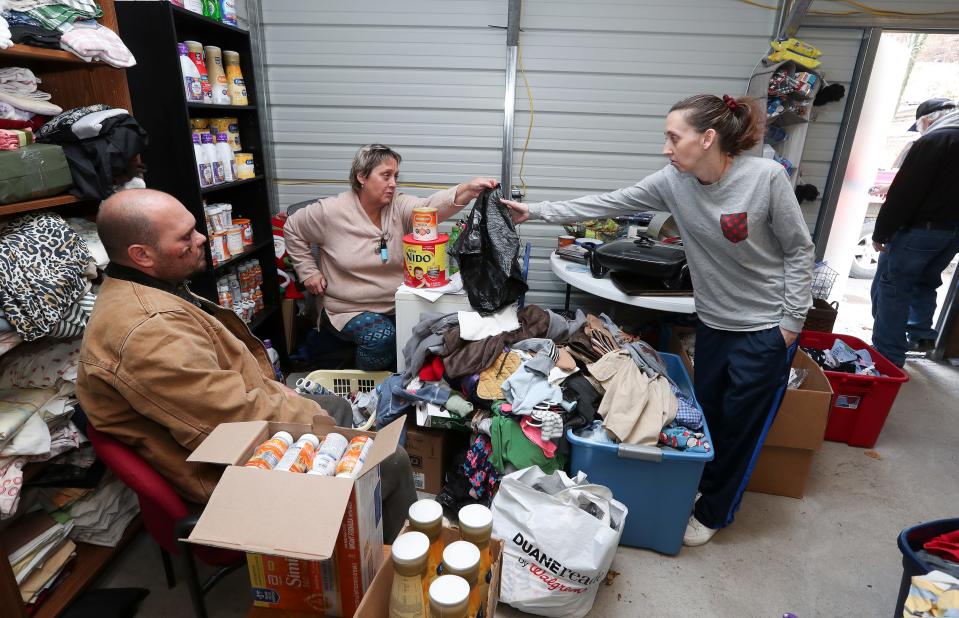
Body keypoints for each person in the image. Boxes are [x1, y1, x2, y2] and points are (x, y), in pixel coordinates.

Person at [502, 94, 815, 546]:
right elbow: (607, 202)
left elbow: (799, 249)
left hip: (763, 329)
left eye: (673, 137)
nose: (666, 148)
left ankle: (714, 511)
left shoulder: (765, 179)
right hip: (712, 323)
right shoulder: (674, 181)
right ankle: (698, 485)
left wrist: (791, 322)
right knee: (707, 418)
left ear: (707, 138)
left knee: (742, 428)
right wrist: (536, 211)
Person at [75, 189, 417, 542]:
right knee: (390, 461)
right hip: (220, 469)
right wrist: (305, 416)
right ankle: (389, 565)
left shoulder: (148, 285)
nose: (202, 239)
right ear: (141, 255)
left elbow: (217, 391)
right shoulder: (148, 331)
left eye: (195, 229)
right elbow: (228, 419)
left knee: (336, 407)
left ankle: (357, 533)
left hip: (223, 426)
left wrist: (287, 396)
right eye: (185, 237)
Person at [284, 144, 498, 370]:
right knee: (382, 337)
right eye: (386, 176)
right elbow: (292, 228)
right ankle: (367, 388)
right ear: (362, 177)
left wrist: (468, 190)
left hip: (397, 304)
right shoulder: (329, 212)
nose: (393, 183)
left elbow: (429, 207)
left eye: (395, 176)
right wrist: (308, 271)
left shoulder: (398, 206)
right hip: (348, 308)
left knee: (443, 332)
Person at [871, 98, 959, 366]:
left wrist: (881, 232)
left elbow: (906, 192)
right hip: (952, 234)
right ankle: (921, 336)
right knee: (926, 280)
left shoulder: (934, 141)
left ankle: (888, 358)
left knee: (893, 289)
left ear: (928, 120)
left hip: (921, 231)